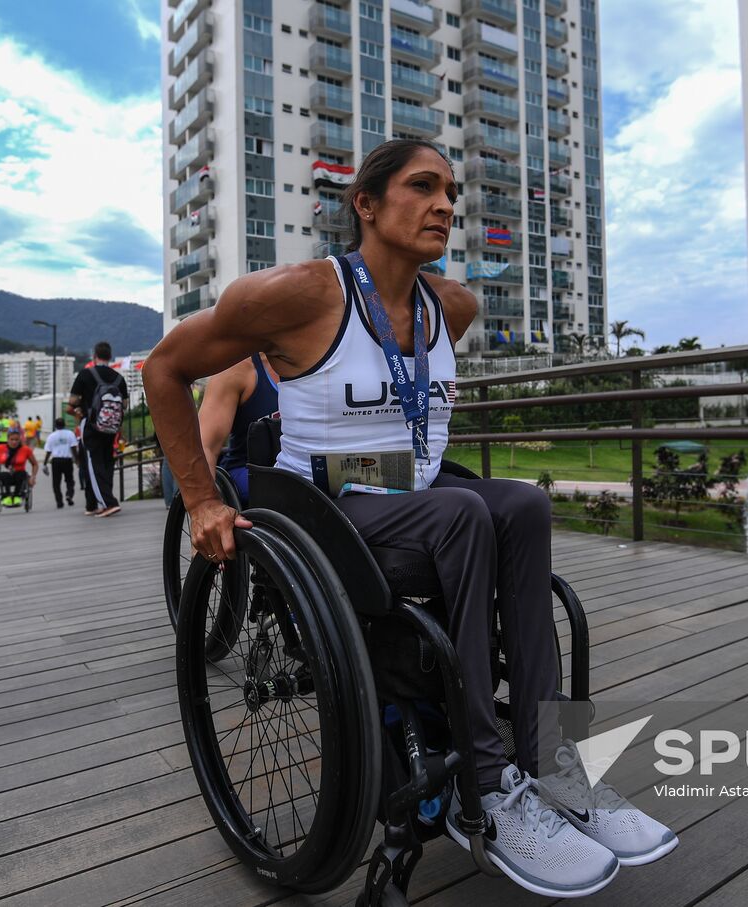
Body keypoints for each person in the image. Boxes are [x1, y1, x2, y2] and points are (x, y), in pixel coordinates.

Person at [143, 140, 673, 897]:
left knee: (521, 501)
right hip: (322, 504)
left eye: (451, 191)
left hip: (404, 490)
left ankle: (555, 762)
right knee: (460, 512)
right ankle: (485, 785)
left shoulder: (451, 306)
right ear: (365, 203)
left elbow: (409, 422)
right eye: (423, 187)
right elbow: (163, 368)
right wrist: (200, 498)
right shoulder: (297, 295)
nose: (446, 205)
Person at [198, 354, 280, 504]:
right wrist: (206, 506)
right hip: (249, 469)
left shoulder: (315, 363)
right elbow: (205, 446)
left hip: (300, 466)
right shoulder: (236, 371)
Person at [68, 341, 128, 517]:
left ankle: (109, 503)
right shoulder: (119, 378)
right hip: (111, 427)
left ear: (94, 356)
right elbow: (124, 404)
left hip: (91, 424)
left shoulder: (85, 374)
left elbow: (72, 403)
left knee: (93, 464)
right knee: (106, 461)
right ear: (109, 356)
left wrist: (83, 406)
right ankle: (94, 503)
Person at [0, 427, 38, 505]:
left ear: (20, 439)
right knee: (5, 475)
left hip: (19, 474)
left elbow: (35, 464)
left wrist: (33, 477)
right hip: (4, 474)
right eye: (12, 439)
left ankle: (17, 496)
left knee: (21, 474)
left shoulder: (26, 450)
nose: (14, 442)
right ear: (7, 439)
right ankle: (7, 497)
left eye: (16, 440)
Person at [43, 416, 79, 508]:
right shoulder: (70, 434)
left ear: (55, 425)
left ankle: (59, 502)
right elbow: (73, 447)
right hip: (67, 460)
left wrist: (45, 463)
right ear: (64, 424)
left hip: (56, 461)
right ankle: (69, 495)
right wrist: (77, 460)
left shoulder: (51, 436)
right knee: (70, 480)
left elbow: (48, 451)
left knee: (56, 482)